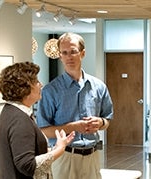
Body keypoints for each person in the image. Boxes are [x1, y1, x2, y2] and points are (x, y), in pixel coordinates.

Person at [36, 32, 114, 179]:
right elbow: (44, 130)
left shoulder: (99, 86)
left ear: (82, 53)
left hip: (92, 156)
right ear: (60, 56)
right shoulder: (50, 91)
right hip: (64, 157)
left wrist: (100, 122)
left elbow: (107, 120)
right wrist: (73, 127)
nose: (69, 57)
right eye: (64, 53)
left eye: (73, 52)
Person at [0, 61, 75, 179]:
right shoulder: (19, 120)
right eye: (37, 81)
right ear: (25, 87)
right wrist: (59, 149)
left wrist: (54, 148)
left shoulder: (11, 112)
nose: (41, 85)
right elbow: (27, 165)